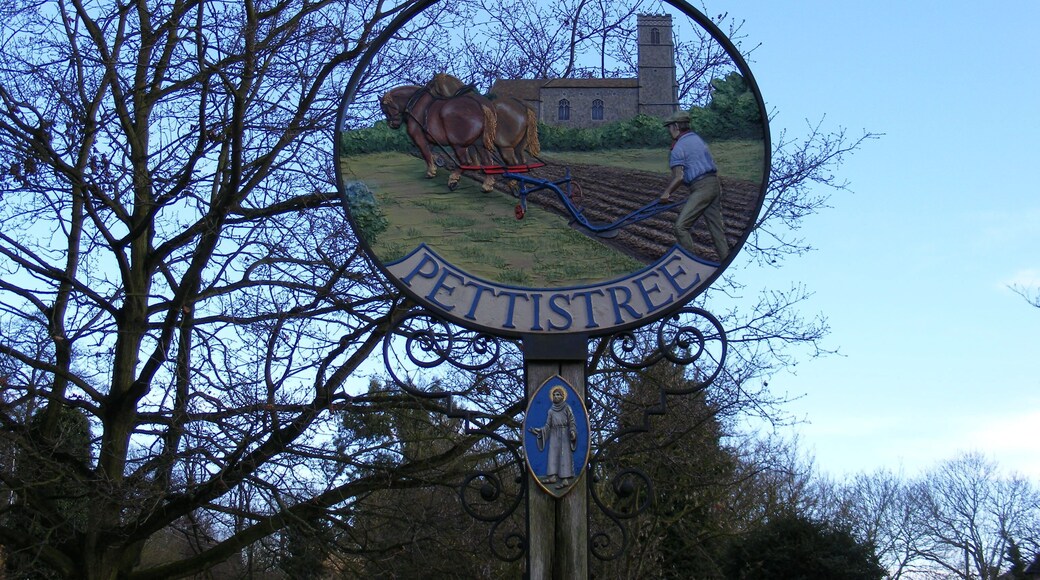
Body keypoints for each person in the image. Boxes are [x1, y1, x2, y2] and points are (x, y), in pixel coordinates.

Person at [658, 111, 729, 262]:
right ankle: (726, 259)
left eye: (669, 127)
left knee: (680, 227)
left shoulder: (678, 147)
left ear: (676, 126)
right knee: (716, 228)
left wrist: (667, 193)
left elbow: (679, 177)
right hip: (714, 184)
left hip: (701, 187)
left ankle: (690, 262)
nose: (669, 130)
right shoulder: (697, 139)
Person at [528, 386, 577, 489]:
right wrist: (539, 430)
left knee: (564, 455)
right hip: (554, 433)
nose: (555, 396)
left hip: (564, 432)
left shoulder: (567, 407)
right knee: (553, 454)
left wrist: (572, 431)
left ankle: (565, 479)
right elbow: (547, 425)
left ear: (562, 396)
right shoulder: (551, 410)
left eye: (558, 394)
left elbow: (572, 421)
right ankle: (553, 477)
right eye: (554, 395)